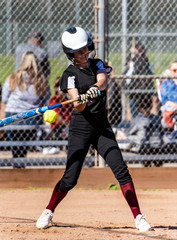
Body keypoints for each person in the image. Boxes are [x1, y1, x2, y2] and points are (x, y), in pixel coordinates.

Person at [36, 26, 151, 232]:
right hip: (80, 128)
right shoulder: (69, 74)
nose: (84, 53)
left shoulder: (97, 63)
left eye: (86, 48)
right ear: (70, 54)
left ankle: (139, 217)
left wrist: (91, 91)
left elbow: (103, 81)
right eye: (79, 51)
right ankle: (48, 210)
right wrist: (79, 99)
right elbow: (77, 106)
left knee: (121, 171)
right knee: (70, 179)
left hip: (101, 127)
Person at [1, 52, 51, 159]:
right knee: (23, 148)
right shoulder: (41, 80)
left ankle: (18, 166)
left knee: (16, 149)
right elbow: (46, 101)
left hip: (13, 115)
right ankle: (20, 165)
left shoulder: (13, 77)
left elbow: (5, 98)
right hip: (32, 117)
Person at [122, 41, 154, 119]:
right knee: (133, 107)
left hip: (142, 89)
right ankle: (137, 122)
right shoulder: (132, 59)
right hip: (134, 89)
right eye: (138, 51)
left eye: (140, 51)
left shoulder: (145, 61)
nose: (139, 53)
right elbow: (127, 74)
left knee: (143, 110)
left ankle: (142, 122)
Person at [160, 60, 177, 129]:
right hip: (172, 108)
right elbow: (164, 100)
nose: (176, 72)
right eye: (174, 70)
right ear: (170, 71)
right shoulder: (166, 84)